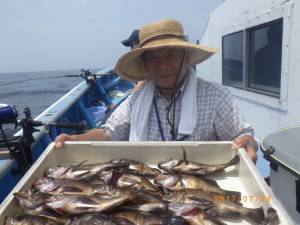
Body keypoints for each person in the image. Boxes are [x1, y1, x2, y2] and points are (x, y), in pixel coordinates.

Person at [55, 19, 258, 162]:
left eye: (171, 55)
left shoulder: (217, 96)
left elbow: (242, 136)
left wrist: (248, 142)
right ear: (145, 66)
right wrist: (75, 140)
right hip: (150, 186)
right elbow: (109, 134)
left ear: (186, 58)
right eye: (153, 58)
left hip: (199, 184)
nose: (162, 65)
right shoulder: (136, 99)